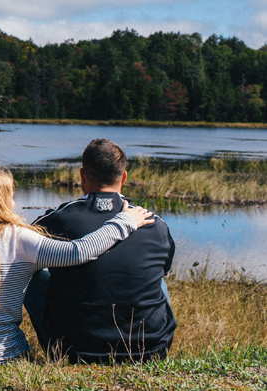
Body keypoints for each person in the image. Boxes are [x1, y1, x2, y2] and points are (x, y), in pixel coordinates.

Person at [0, 165, 154, 364]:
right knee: (37, 273)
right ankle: (53, 346)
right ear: (0, 201)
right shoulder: (20, 238)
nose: (13, 203)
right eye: (11, 196)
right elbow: (79, 251)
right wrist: (124, 221)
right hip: (6, 356)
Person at [25, 139, 176, 363]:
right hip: (151, 350)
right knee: (160, 283)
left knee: (35, 278)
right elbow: (164, 268)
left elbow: (24, 252)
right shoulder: (154, 223)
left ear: (82, 176)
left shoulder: (57, 220)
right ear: (124, 177)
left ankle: (56, 347)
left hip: (72, 349)